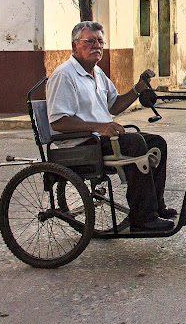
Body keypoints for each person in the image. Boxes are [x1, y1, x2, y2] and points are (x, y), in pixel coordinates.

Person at [47, 21, 176, 232]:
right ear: (74, 46)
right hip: (81, 144)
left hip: (98, 138)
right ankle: (142, 217)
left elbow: (114, 105)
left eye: (100, 41)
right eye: (89, 41)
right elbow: (58, 122)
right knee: (135, 143)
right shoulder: (64, 75)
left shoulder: (97, 73)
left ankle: (155, 206)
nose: (96, 46)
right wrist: (100, 127)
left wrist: (137, 88)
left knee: (156, 143)